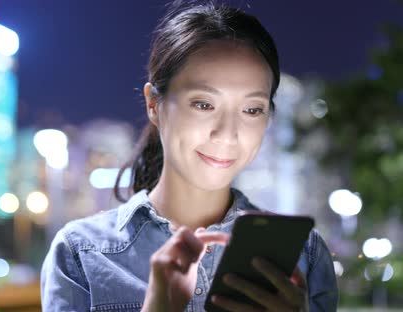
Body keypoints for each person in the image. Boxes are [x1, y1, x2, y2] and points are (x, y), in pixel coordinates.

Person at [40, 2, 339, 311]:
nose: (227, 133)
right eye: (203, 104)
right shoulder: (81, 252)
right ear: (153, 105)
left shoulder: (304, 255)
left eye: (252, 109)